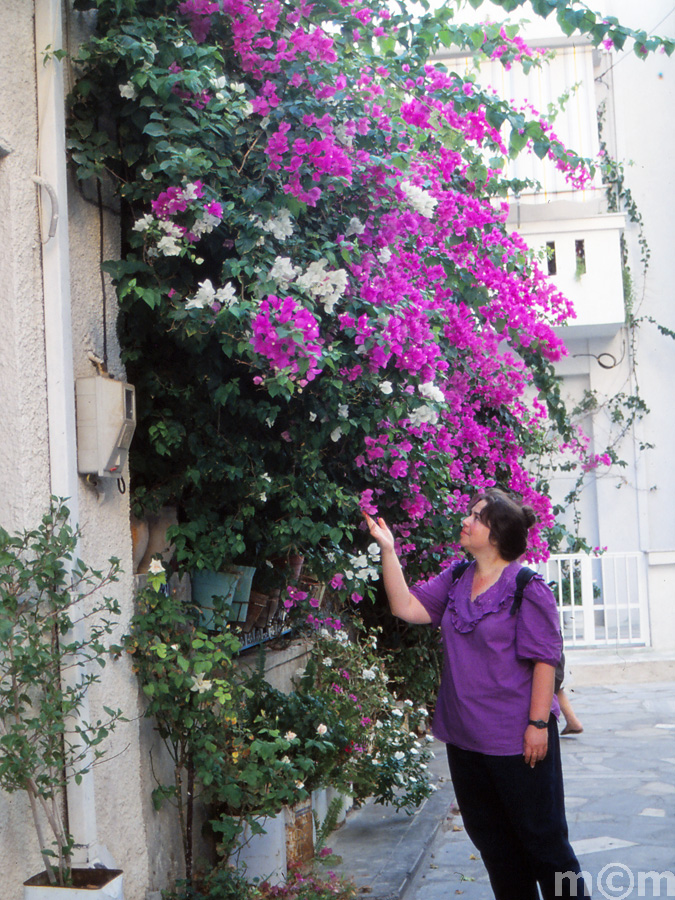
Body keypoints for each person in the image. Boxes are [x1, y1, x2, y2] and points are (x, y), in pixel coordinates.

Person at [365, 488, 589, 900]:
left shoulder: (527, 588)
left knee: (545, 845)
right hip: (466, 740)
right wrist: (389, 550)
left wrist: (539, 724)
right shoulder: (456, 577)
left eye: (476, 516)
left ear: (497, 533)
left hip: (517, 740)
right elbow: (406, 607)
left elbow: (545, 660)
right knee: (495, 847)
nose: (465, 521)